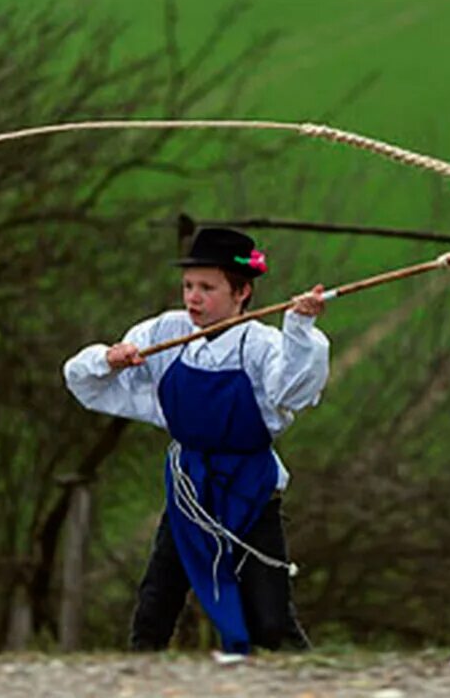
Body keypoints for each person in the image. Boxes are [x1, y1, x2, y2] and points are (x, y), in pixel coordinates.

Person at [62, 227, 329, 654]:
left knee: (271, 620)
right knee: (155, 604)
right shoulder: (166, 334)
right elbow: (86, 381)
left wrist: (300, 326)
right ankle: (136, 678)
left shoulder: (260, 345)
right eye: (188, 286)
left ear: (241, 291)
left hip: (252, 491)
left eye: (207, 287)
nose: (193, 297)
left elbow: (292, 388)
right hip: (190, 488)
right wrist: (109, 360)